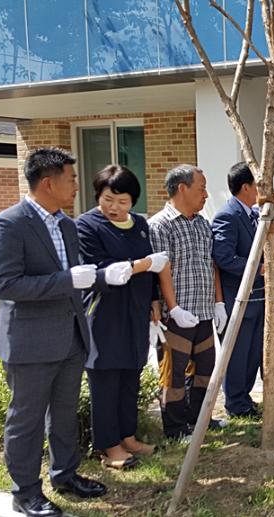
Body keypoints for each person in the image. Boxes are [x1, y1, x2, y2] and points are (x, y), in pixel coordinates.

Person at [0, 147, 106, 517]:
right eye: (71, 179)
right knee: (25, 420)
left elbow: (75, 278)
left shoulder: (67, 225)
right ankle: (25, 492)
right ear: (47, 182)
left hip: (71, 335)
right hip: (30, 343)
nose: (77, 185)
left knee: (64, 413)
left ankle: (65, 475)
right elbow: (6, 285)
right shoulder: (9, 224)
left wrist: (102, 276)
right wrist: (65, 280)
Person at [76, 165, 168, 470]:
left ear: (133, 201)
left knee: (131, 373)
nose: (114, 207)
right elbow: (101, 269)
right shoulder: (87, 226)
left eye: (122, 201)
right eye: (107, 199)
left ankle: (127, 436)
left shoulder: (140, 224)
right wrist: (144, 264)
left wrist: (154, 298)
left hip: (136, 309)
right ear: (98, 196)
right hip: (104, 312)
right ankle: (108, 446)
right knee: (106, 378)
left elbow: (151, 269)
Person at [149, 164, 227, 438]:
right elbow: (162, 269)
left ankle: (199, 419)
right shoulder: (160, 225)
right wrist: (173, 308)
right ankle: (175, 427)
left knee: (205, 368)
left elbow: (211, 264)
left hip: (204, 311)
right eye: (201, 188)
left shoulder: (203, 223)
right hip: (176, 315)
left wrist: (219, 303)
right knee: (174, 373)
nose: (206, 194)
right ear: (182, 188)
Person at [211, 162, 264, 418]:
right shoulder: (227, 215)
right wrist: (258, 268)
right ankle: (235, 402)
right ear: (246, 187)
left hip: (256, 295)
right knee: (238, 353)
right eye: (257, 184)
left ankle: (245, 397)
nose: (260, 190)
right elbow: (223, 257)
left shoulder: (252, 213)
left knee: (252, 352)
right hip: (237, 297)